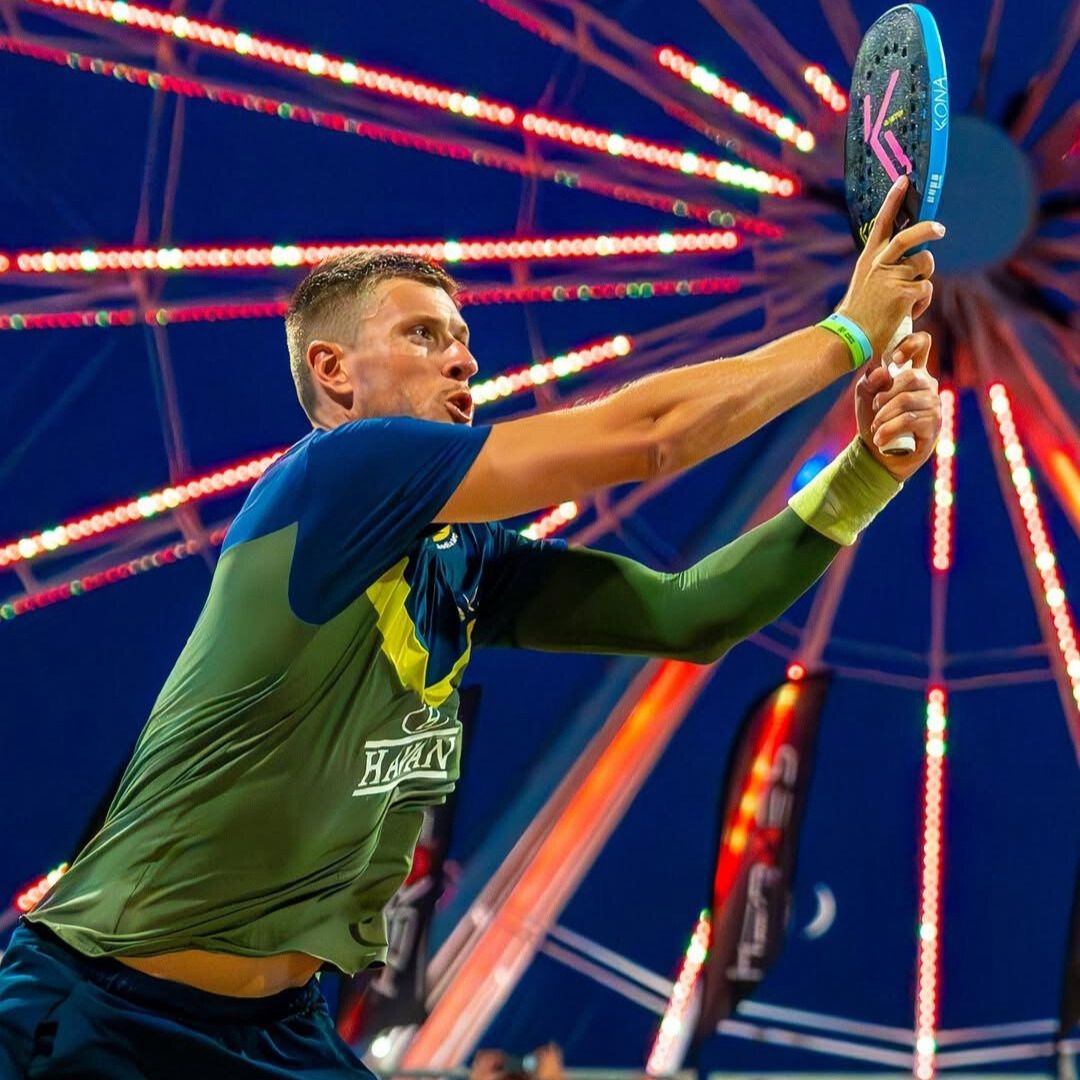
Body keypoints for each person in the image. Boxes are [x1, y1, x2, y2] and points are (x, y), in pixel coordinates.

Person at [0, 176, 942, 1077]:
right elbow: (647, 436)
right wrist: (848, 332)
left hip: (275, 1032)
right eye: (423, 335)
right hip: (96, 1009)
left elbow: (689, 614)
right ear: (334, 371)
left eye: (463, 339)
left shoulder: (465, 565)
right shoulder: (343, 474)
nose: (464, 359)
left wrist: (866, 473)